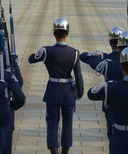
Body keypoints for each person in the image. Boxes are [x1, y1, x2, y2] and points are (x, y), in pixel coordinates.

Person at [28, 18, 84, 154]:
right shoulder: (74, 53)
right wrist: (80, 92)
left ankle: (53, 150)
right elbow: (78, 75)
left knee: (52, 123)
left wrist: (40, 51)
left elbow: (31, 59)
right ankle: (65, 151)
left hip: (52, 90)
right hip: (67, 92)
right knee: (67, 124)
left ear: (54, 34)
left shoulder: (47, 51)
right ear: (67, 33)